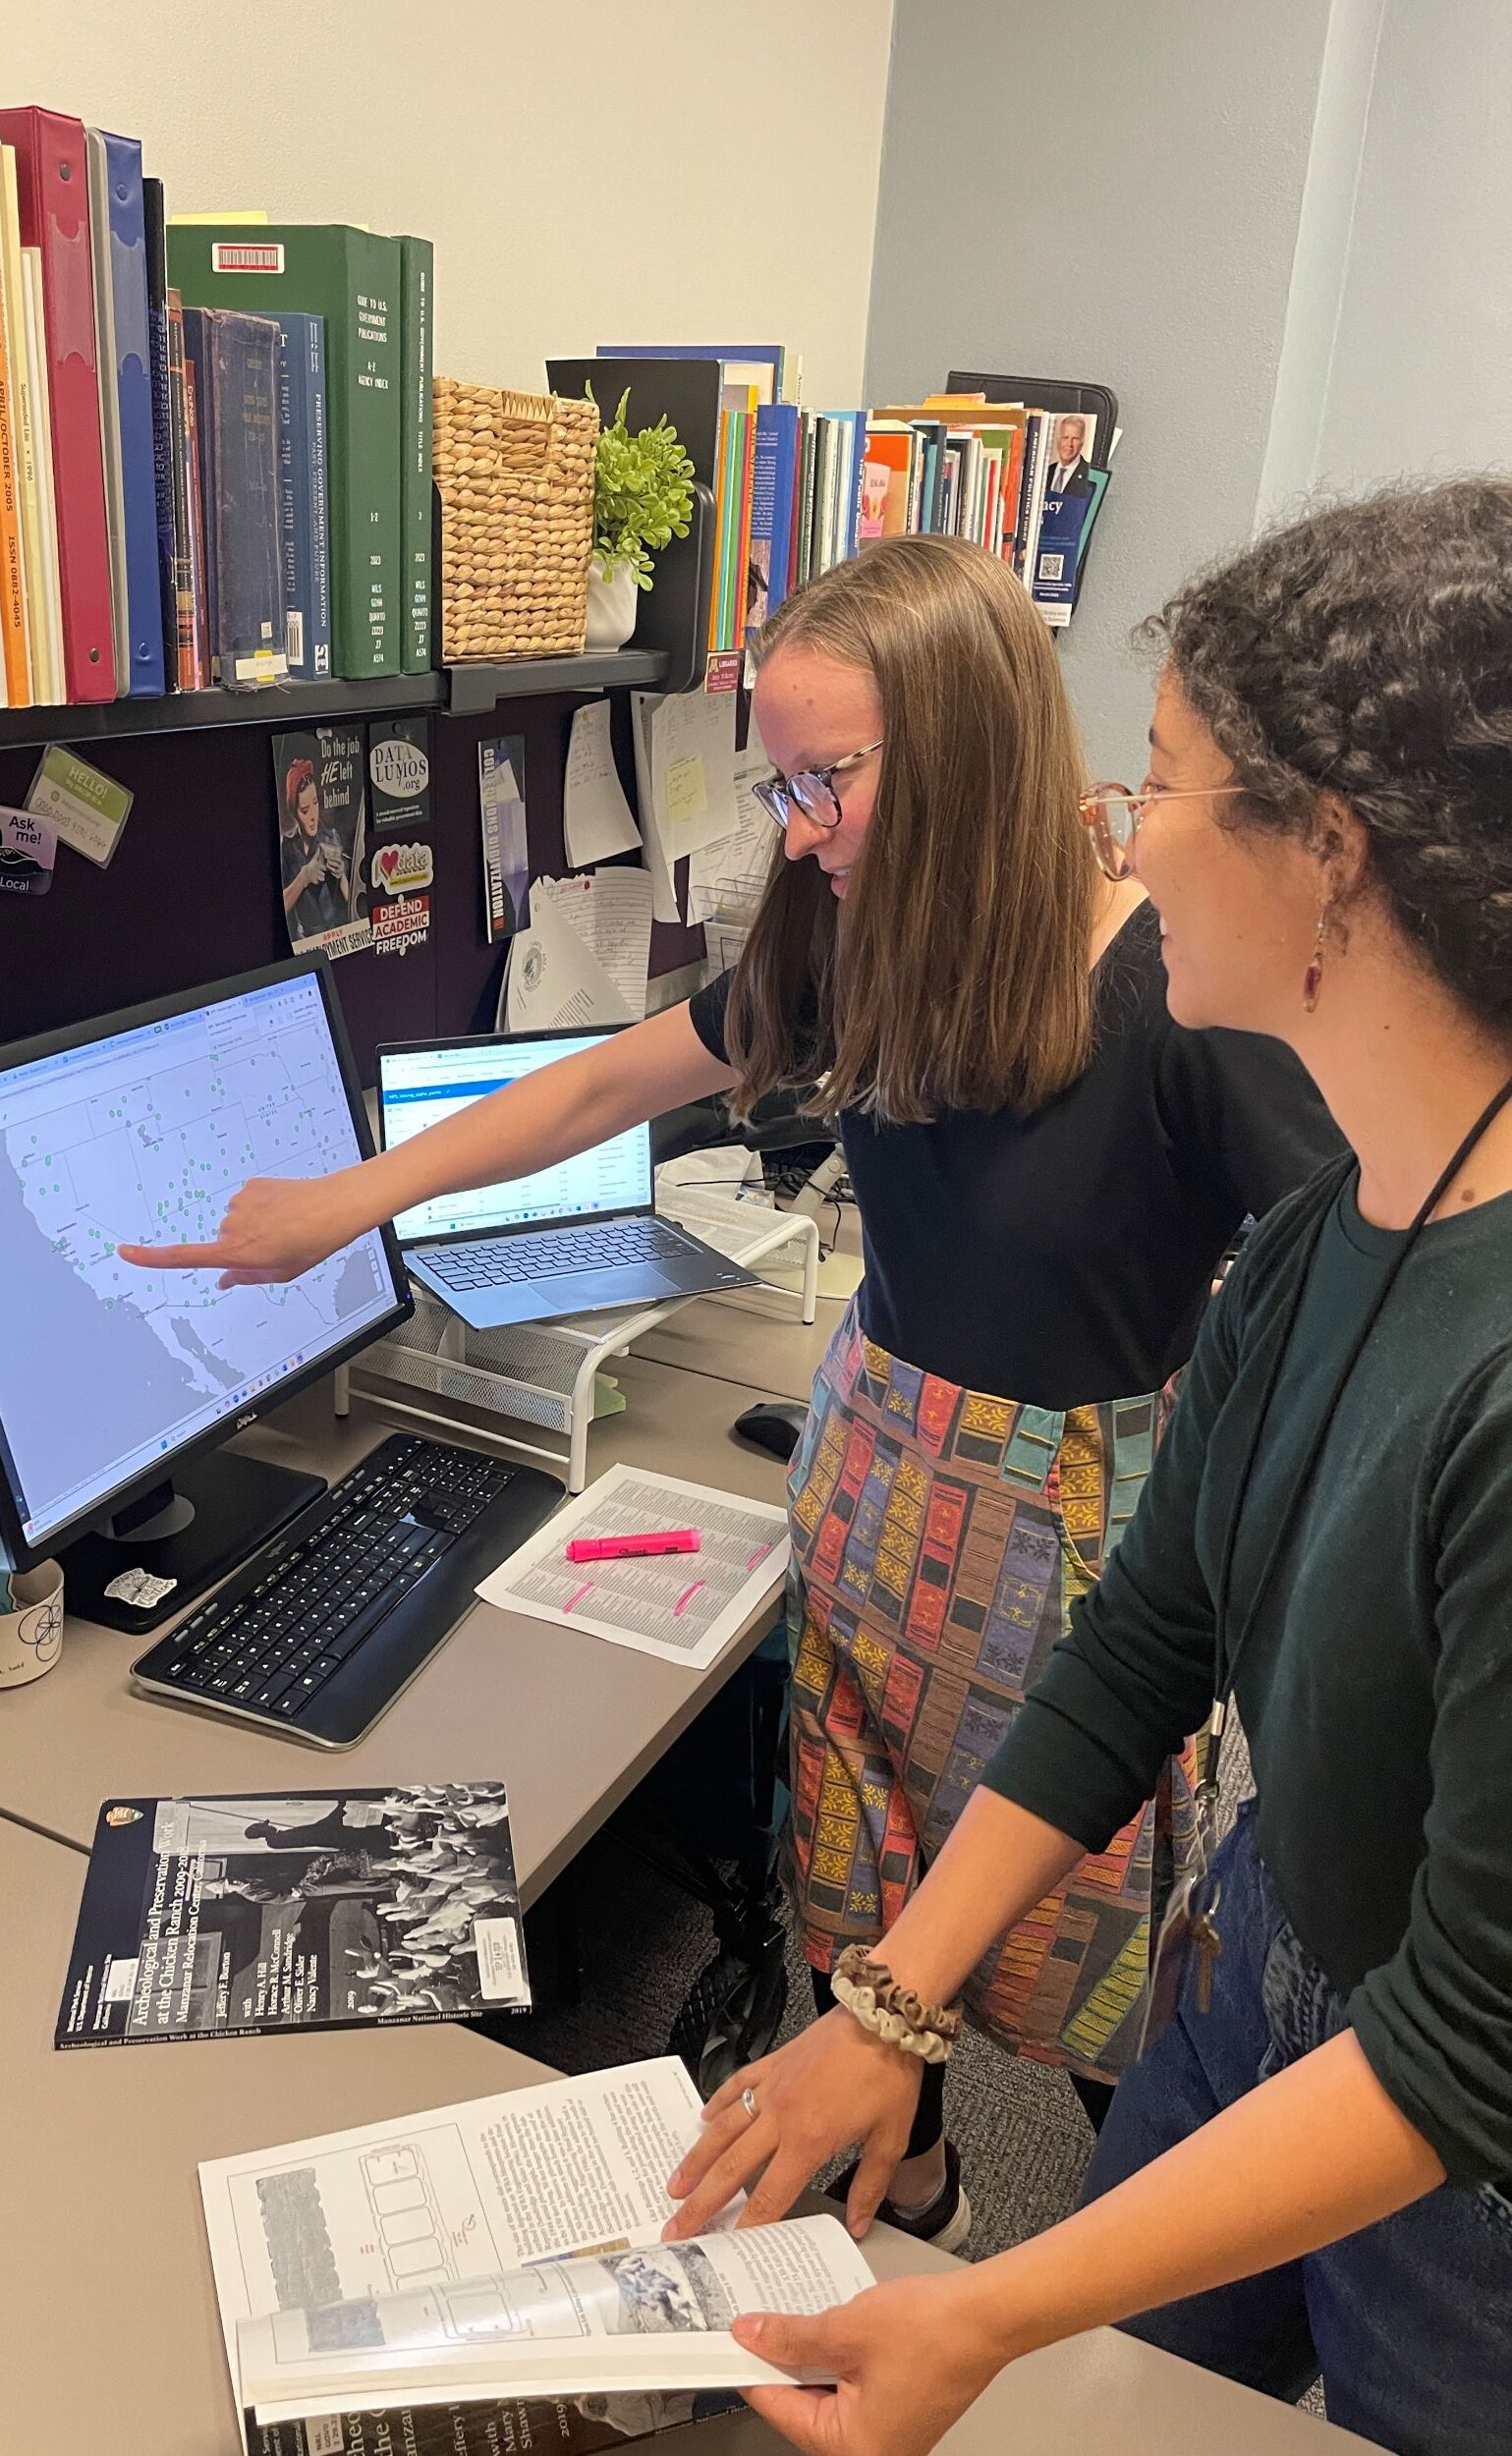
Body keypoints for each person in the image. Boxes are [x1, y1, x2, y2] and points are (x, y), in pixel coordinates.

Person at [121, 533, 1334, 2244]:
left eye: (824, 781)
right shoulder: (857, 931)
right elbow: (608, 1079)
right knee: (858, 1916)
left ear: (968, 751)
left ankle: (1114, 2292)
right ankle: (905, 2190)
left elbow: (1361, 1271)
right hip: (873, 1483)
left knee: (1081, 1973)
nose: (797, 828)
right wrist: (349, 1201)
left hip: (1065, 1564)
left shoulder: (1174, 992)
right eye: (780, 784)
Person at [662, 478, 1512, 2456]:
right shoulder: (1330, 1237)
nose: (1118, 835)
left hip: (1451, 2130)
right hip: (1268, 1949)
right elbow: (1145, 1641)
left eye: (1158, 781)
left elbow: (1464, 2043)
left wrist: (983, 2305)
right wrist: (886, 2010)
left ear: (1329, 857)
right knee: (1118, 2408)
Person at [279, 757, 352, 943]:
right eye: (304, 810)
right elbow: (281, 906)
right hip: (304, 941)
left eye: (315, 803)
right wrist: (304, 877)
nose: (313, 816)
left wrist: (342, 874)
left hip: (334, 936)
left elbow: (352, 901)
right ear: (294, 812)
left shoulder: (331, 836)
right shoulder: (287, 846)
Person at [1046, 413, 1092, 494]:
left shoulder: (1089, 473)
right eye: (1065, 437)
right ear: (1058, 441)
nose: (1069, 444)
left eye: (1075, 438)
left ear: (1082, 442)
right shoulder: (1047, 471)